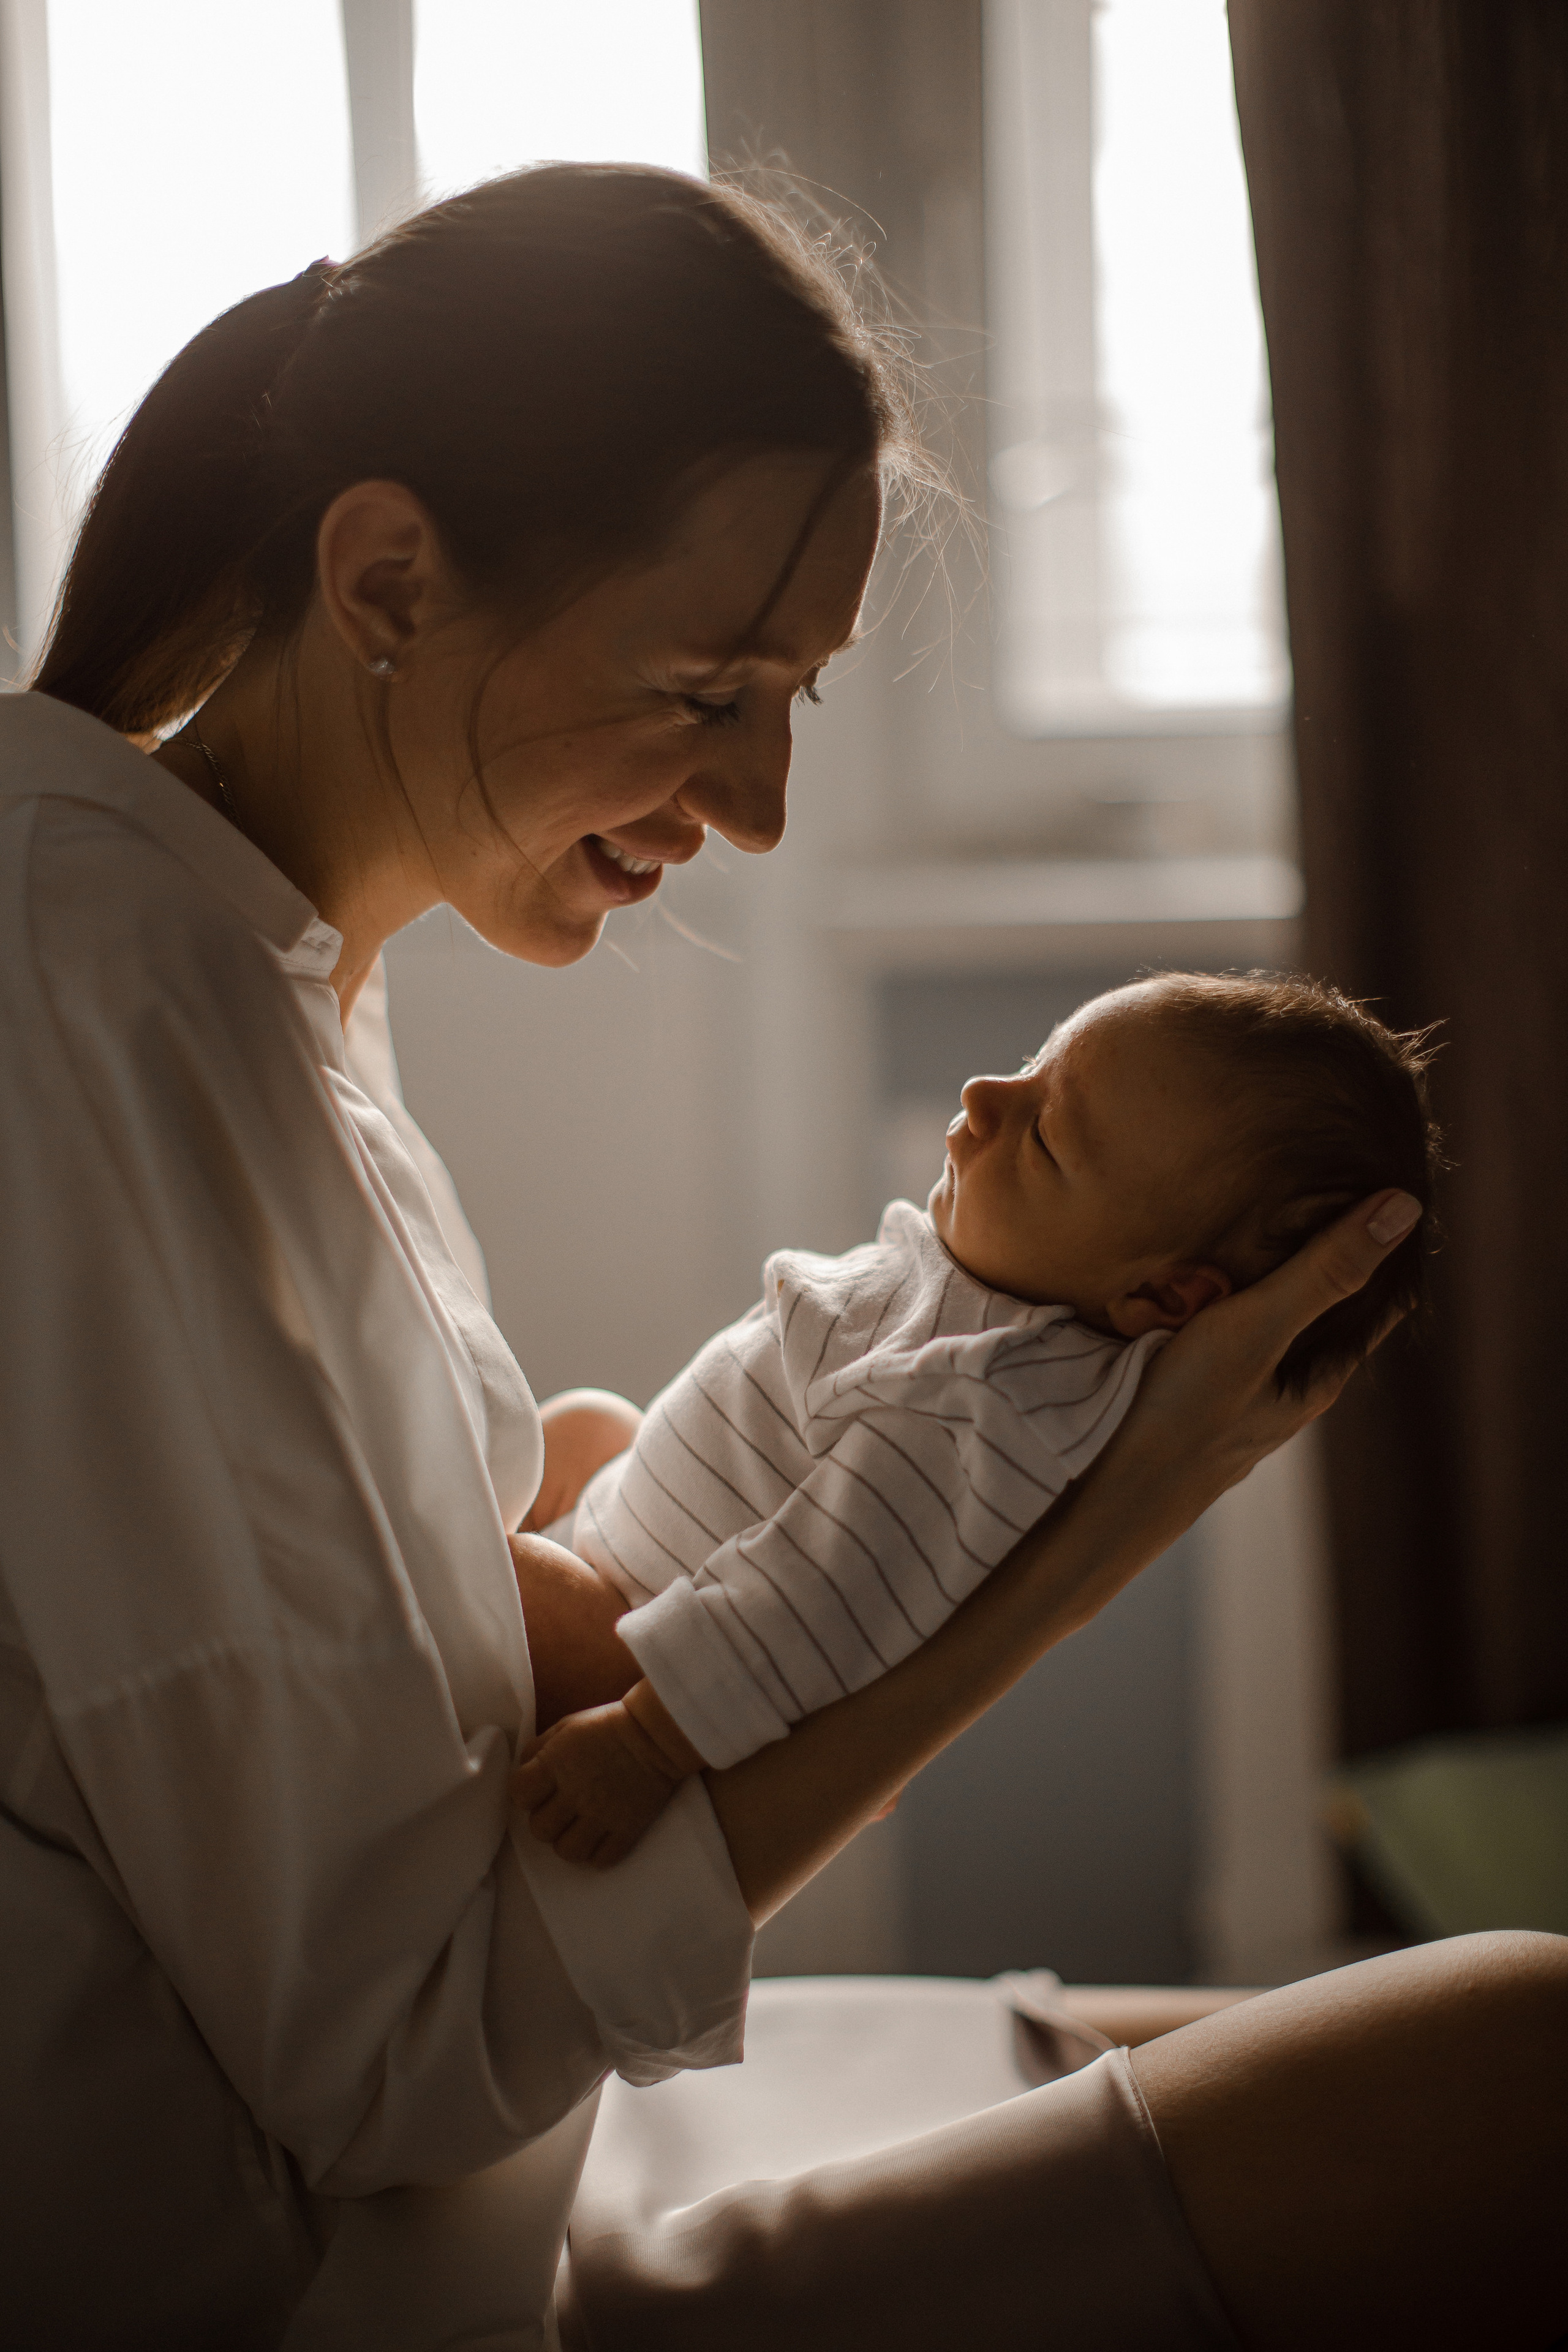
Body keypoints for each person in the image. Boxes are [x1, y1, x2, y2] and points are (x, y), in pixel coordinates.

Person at [0, 162, 1561, 2352]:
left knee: (1468, 2047)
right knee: (1521, 2080)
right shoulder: (107, 1033)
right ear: (386, 578)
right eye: (709, 681)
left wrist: (501, 1522)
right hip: (366, 2284)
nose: (758, 811)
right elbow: (396, 2069)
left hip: (488, 2188)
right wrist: (1099, 1539)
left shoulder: (235, 958)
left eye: (793, 699)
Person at [510, 969, 1439, 1864]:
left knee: (468, 1565)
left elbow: (818, 1599)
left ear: (1163, 1296)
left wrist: (641, 1746)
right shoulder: (994, 1303)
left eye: (1045, 1141)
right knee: (589, 1423)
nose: (985, 1096)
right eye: (1032, 1063)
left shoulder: (984, 1400)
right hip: (644, 1525)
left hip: (642, 1636)